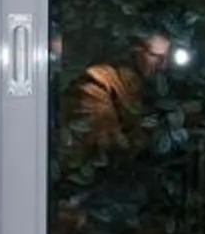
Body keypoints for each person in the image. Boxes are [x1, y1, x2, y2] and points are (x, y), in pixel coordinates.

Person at [69, 29, 171, 158]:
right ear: (136, 51)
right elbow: (103, 139)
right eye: (156, 56)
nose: (162, 66)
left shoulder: (146, 93)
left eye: (166, 59)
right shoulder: (100, 81)